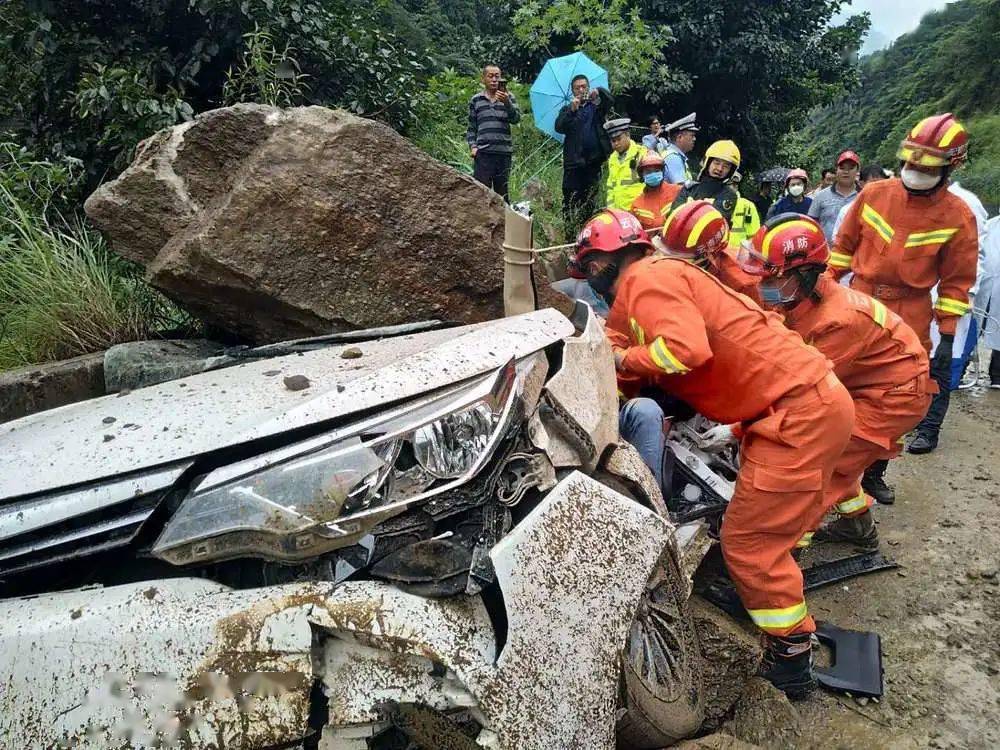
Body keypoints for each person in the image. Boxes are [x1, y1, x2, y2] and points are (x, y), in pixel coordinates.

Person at [571, 208, 854, 699]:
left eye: (592, 266)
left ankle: (791, 658)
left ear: (604, 262)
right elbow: (629, 344)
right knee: (769, 528)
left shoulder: (644, 281)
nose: (592, 277)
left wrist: (620, 359)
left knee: (750, 545)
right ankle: (774, 608)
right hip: (801, 404)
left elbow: (683, 352)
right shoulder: (659, 277)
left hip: (798, 414)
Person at [739, 214, 934, 550]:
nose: (763, 285)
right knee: (843, 463)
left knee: (816, 468)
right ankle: (858, 527)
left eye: (774, 276)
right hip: (871, 386)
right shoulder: (802, 299)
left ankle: (781, 559)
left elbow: (801, 392)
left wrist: (736, 427)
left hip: (892, 399)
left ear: (804, 273)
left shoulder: (837, 321)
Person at [830, 113, 978, 460]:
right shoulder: (874, 195)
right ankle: (833, 455)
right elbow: (842, 248)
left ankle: (875, 470)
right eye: (912, 164)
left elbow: (957, 282)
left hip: (910, 311)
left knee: (894, 393)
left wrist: (947, 335)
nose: (916, 173)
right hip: (860, 300)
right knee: (840, 377)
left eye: (927, 169)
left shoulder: (958, 216)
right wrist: (824, 287)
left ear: (948, 170)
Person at [659, 200, 760, 301]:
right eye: (665, 255)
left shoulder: (740, 285)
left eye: (683, 261)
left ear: (710, 256)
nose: (671, 263)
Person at [554, 74, 614, 236]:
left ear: (588, 87)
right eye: (577, 88)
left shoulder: (596, 108)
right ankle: (570, 236)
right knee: (570, 201)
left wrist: (599, 92)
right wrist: (571, 111)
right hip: (573, 163)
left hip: (593, 163)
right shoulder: (567, 109)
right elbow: (559, 127)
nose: (581, 90)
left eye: (584, 87)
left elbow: (609, 101)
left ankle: (588, 235)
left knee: (590, 202)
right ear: (572, 91)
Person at [465, 64, 521, 202]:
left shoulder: (509, 97)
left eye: (497, 76)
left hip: (503, 154)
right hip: (483, 154)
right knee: (481, 194)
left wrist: (507, 103)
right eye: (490, 76)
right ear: (483, 78)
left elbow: (516, 119)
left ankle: (504, 223)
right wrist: (473, 147)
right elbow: (472, 127)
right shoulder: (476, 100)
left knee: (502, 196)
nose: (494, 79)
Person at [670, 140, 741, 223]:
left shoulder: (729, 195)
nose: (720, 169)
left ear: (731, 171)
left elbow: (714, 221)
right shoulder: (689, 188)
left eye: (726, 166)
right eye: (716, 163)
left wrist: (690, 208)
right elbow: (673, 216)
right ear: (708, 162)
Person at [808, 151, 860, 240]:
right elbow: (810, 225)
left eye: (851, 168)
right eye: (842, 168)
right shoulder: (821, 196)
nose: (846, 171)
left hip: (855, 252)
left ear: (857, 171)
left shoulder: (864, 196)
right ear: (836, 170)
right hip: (827, 251)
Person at [830, 164, 887, 239]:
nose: (879, 188)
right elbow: (837, 239)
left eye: (882, 184)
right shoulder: (848, 210)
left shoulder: (892, 209)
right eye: (874, 183)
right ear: (861, 184)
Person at [629, 151, 682, 231]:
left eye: (656, 171)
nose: (653, 174)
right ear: (641, 175)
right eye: (648, 172)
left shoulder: (678, 191)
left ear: (663, 172)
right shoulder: (636, 205)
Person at [604, 118, 647, 211]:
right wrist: (611, 210)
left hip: (639, 212)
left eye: (619, 139)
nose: (616, 143)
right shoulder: (612, 159)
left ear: (628, 135)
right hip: (619, 214)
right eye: (613, 141)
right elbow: (610, 187)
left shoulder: (642, 153)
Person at [728, 173, 762, 250]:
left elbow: (753, 235)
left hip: (738, 253)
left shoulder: (747, 205)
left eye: (735, 184)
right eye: (730, 184)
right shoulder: (710, 201)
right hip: (715, 254)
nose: (733, 186)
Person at [663, 112, 698, 184]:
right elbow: (681, 187)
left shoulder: (676, 155)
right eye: (692, 135)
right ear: (680, 137)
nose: (694, 139)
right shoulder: (673, 158)